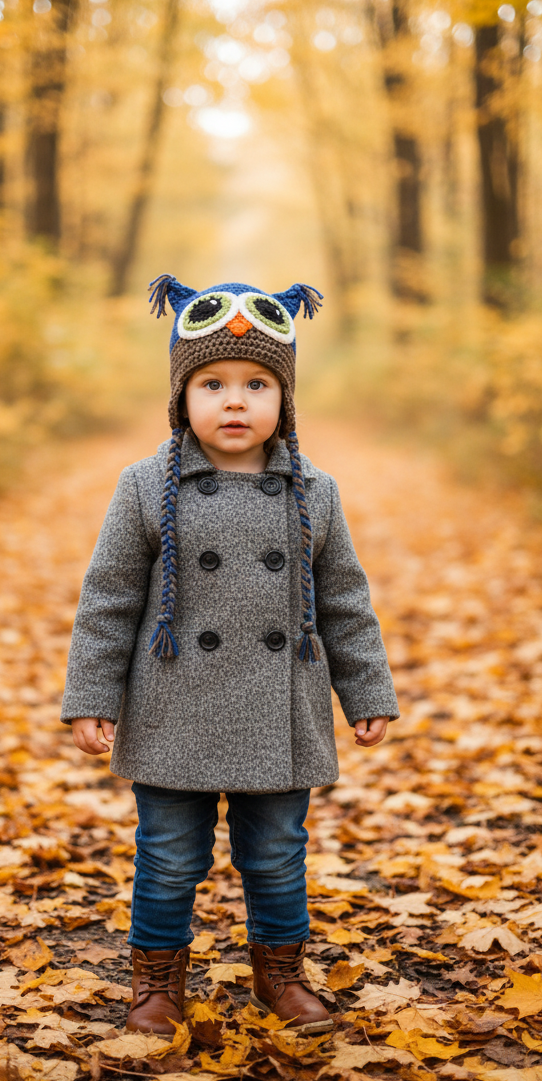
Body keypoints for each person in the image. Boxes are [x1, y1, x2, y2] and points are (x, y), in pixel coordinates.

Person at [62, 275, 398, 1037]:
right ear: (181, 396)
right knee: (168, 856)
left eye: (257, 385)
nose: (235, 402)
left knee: (277, 854)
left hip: (281, 712)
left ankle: (280, 974)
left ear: (286, 399)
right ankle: (156, 982)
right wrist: (92, 698)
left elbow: (345, 601)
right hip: (173, 707)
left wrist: (368, 693)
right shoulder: (146, 486)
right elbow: (108, 598)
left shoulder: (315, 491)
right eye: (212, 384)